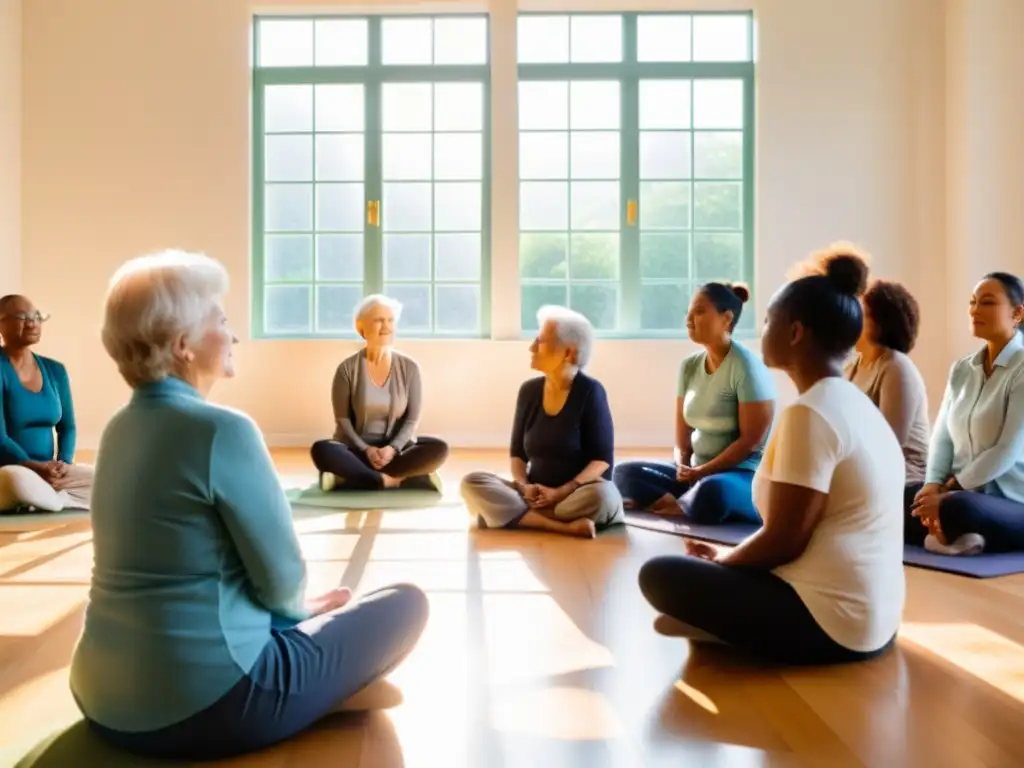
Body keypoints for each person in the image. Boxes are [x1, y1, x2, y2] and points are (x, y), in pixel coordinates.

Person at [69, 251, 429, 762]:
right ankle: (320, 698)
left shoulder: (117, 429)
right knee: (407, 602)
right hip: (208, 706)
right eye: (221, 320)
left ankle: (325, 695)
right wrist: (299, 614)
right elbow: (283, 583)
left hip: (98, 697)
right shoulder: (222, 430)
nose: (233, 334)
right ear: (182, 346)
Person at [638, 251, 905, 665]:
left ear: (794, 332)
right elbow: (796, 533)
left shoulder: (810, 413)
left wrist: (726, 561)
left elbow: (784, 539)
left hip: (833, 625)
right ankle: (723, 626)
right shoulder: (852, 402)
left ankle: (728, 629)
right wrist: (731, 559)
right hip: (877, 622)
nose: (761, 330)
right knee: (697, 569)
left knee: (657, 575)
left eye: (767, 321)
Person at [613, 283, 775, 524]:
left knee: (713, 492)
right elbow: (683, 434)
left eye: (698, 312)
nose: (688, 319)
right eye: (688, 312)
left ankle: (683, 502)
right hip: (696, 472)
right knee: (623, 473)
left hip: (739, 476)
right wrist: (682, 466)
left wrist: (703, 472)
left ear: (726, 319)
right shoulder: (689, 367)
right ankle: (686, 502)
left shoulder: (746, 367)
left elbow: (750, 442)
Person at [460, 305, 624, 539]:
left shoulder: (591, 392)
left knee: (604, 496)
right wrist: (523, 485)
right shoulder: (529, 391)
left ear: (569, 352)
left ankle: (514, 517)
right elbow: (517, 454)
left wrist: (560, 492)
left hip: (576, 494)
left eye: (541, 341)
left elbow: (602, 461)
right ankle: (559, 525)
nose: (531, 347)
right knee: (472, 482)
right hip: (534, 495)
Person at [907, 272, 1024, 556]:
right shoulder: (962, 369)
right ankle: (958, 538)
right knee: (905, 498)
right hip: (958, 491)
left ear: (1017, 313)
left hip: (1011, 499)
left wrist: (952, 487)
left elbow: (1007, 449)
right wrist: (932, 484)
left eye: (987, 303)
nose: (974, 310)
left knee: (960, 508)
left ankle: (952, 534)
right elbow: (943, 435)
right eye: (972, 302)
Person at [311, 294, 448, 493]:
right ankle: (398, 480)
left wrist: (391, 449)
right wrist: (367, 450)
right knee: (322, 449)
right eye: (378, 320)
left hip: (396, 452)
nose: (386, 326)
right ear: (361, 328)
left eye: (390, 320)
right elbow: (343, 421)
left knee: (438, 447)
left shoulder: (410, 368)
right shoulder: (346, 369)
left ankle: (352, 479)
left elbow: (411, 420)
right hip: (356, 450)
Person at [0, 294, 92, 512]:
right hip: (10, 469)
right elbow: (0, 437)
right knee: (20, 480)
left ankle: (44, 499)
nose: (32, 322)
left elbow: (67, 426)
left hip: (48, 471)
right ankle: (51, 497)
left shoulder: (55, 370)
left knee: (105, 480)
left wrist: (64, 464)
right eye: (22, 316)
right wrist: (33, 466)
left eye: (37, 316)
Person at [845, 278, 930, 491]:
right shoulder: (852, 368)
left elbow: (888, 445)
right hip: (862, 475)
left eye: (861, 314)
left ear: (881, 323)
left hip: (904, 482)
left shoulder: (897, 368)